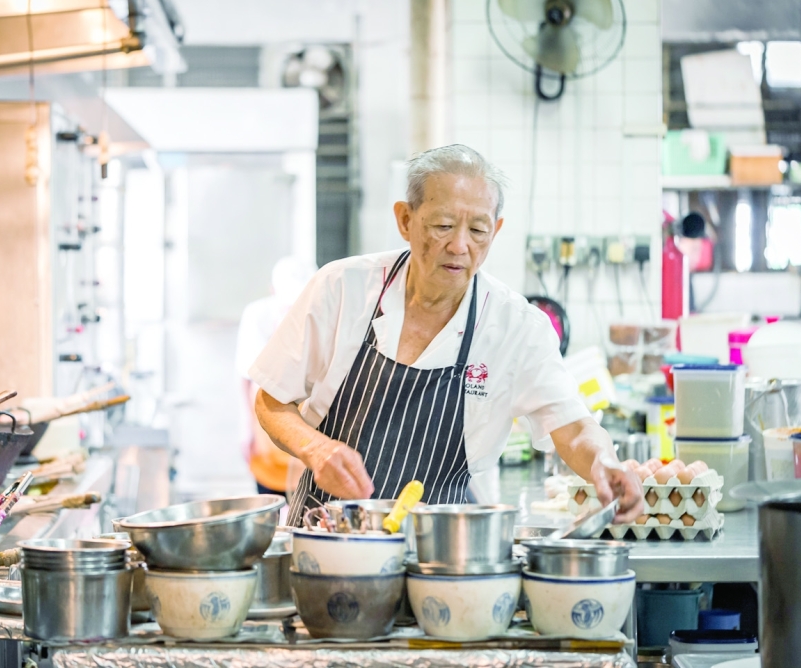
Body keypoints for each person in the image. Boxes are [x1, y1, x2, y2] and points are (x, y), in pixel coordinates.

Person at [249, 144, 643, 525]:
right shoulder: (342, 288)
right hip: (329, 538)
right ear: (405, 219)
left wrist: (604, 462)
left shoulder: (517, 328)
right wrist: (315, 448)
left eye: (477, 230)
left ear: (496, 230)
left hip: (441, 552)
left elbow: (573, 428)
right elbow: (270, 400)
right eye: (443, 226)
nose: (459, 245)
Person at [236, 256, 317, 496]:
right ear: (273, 292)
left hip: (309, 428)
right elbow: (245, 376)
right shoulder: (257, 316)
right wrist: (246, 429)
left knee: (309, 507)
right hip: (267, 425)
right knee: (272, 507)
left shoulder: (322, 315)